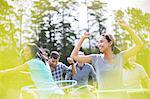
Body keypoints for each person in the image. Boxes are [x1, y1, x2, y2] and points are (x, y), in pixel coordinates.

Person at [70, 19, 143, 99]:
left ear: (110, 43)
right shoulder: (96, 58)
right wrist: (82, 38)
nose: (99, 45)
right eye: (98, 42)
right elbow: (74, 56)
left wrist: (128, 28)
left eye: (101, 42)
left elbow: (139, 44)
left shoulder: (121, 57)